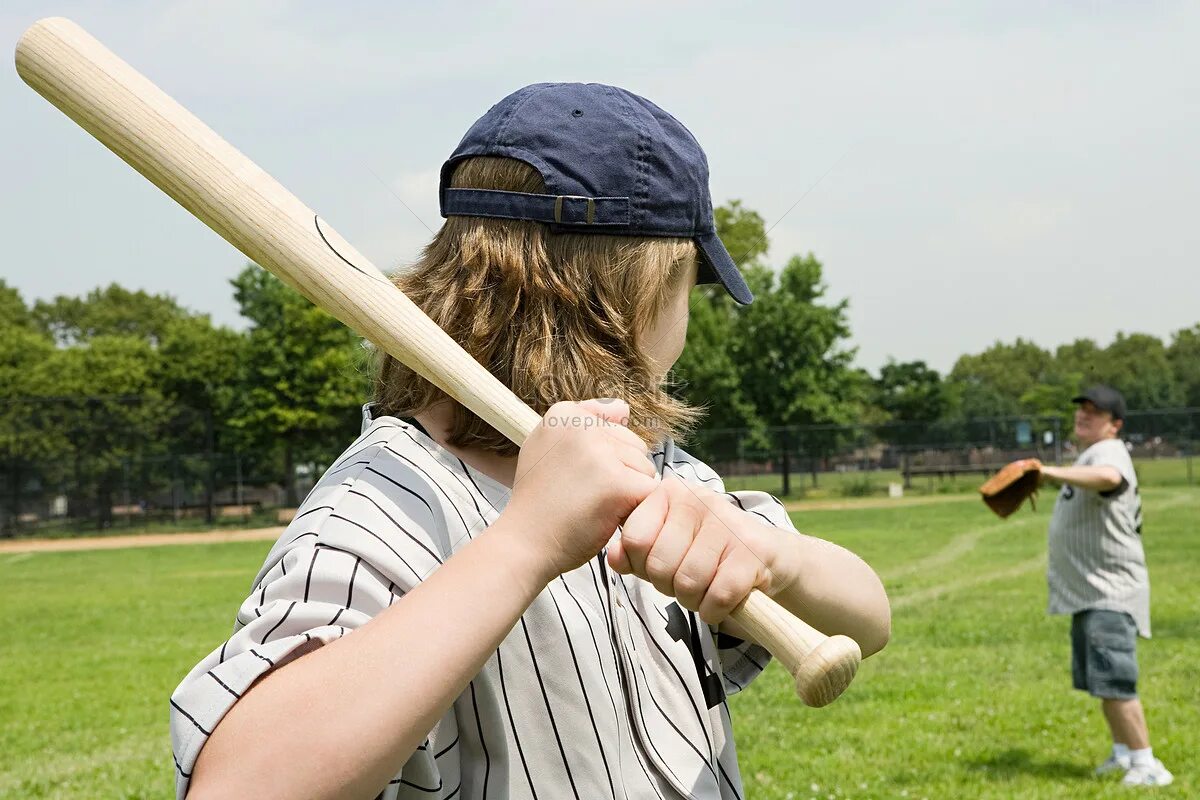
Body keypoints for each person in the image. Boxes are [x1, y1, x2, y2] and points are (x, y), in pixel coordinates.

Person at [168, 83, 891, 800]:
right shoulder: (386, 503)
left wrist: (777, 559)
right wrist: (525, 542)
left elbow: (869, 617)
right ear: (639, 294)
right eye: (690, 286)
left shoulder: (648, 461)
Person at [1040, 385, 1173, 787]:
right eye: (1081, 408)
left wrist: (1046, 471)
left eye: (1095, 412)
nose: (1083, 415)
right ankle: (1123, 754)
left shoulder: (1109, 453)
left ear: (1114, 425)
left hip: (1110, 592)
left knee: (1115, 680)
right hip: (1092, 592)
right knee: (1103, 681)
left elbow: (1109, 478)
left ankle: (1148, 765)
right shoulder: (1091, 453)